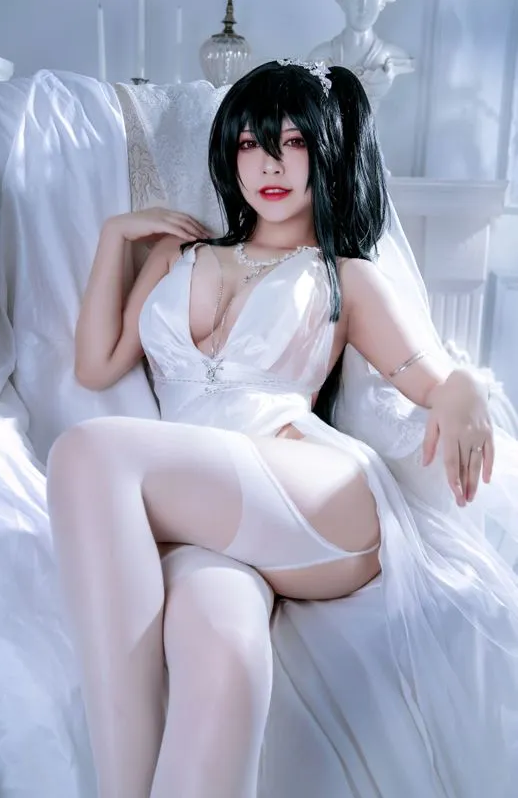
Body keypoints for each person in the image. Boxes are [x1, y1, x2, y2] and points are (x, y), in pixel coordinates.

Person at [46, 60, 518, 798]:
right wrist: (115, 237)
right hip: (213, 527)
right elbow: (97, 363)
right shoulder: (177, 256)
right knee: (223, 654)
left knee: (87, 454)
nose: (268, 164)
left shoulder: (344, 275)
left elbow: (430, 375)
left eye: (292, 143)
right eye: (249, 144)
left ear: (325, 153)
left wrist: (465, 391)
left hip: (315, 496)